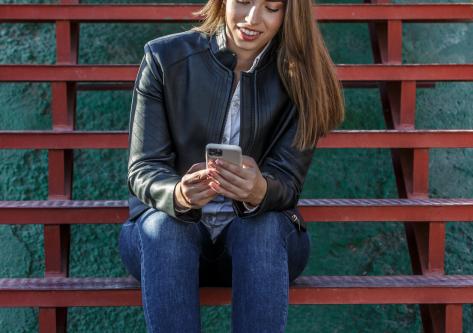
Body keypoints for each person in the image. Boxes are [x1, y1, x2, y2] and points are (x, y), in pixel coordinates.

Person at [118, 0, 344, 331]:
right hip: (167, 246)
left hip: (259, 248)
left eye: (271, 7)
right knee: (163, 227)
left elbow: (288, 184)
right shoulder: (164, 59)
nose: (252, 19)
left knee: (263, 228)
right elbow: (143, 170)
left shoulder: (304, 76)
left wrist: (260, 190)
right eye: (244, 2)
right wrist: (179, 195)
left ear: (289, 14)